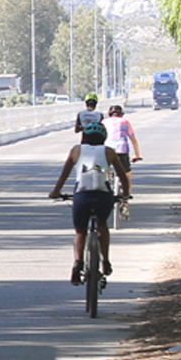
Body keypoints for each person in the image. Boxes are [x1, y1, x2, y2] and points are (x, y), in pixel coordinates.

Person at [49, 121, 132, 286]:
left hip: (82, 196)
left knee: (80, 231)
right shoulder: (109, 152)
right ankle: (106, 261)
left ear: (84, 136)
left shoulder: (76, 150)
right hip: (103, 197)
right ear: (104, 138)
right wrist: (125, 195)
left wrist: (56, 192)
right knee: (102, 225)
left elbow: (63, 176)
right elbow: (122, 177)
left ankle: (78, 262)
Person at [106, 103, 141, 173]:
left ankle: (107, 180)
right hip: (122, 150)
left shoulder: (104, 122)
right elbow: (133, 141)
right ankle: (127, 183)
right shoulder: (125, 122)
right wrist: (137, 155)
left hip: (108, 150)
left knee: (106, 168)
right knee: (127, 172)